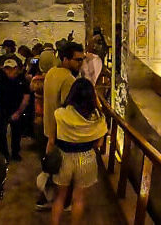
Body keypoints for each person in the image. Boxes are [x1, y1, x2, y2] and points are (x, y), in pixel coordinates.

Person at [49, 78, 107, 225]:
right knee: (79, 199)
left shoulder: (60, 114)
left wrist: (48, 159)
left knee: (59, 197)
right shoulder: (98, 118)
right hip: (86, 159)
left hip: (63, 157)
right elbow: (99, 144)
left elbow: (51, 140)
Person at [36, 42, 84, 210]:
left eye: (82, 59)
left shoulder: (51, 72)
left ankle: (44, 199)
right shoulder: (69, 79)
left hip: (47, 129)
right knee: (63, 172)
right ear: (65, 59)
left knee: (52, 167)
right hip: (60, 134)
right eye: (77, 60)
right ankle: (62, 202)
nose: (80, 64)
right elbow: (67, 111)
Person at [0, 58, 30, 161]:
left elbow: (26, 97)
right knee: (1, 133)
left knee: (16, 133)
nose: (8, 71)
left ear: (16, 68)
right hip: (2, 110)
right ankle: (4, 154)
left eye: (11, 68)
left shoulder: (22, 80)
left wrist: (19, 112)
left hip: (16, 109)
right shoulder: (0, 78)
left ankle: (15, 153)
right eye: (6, 68)